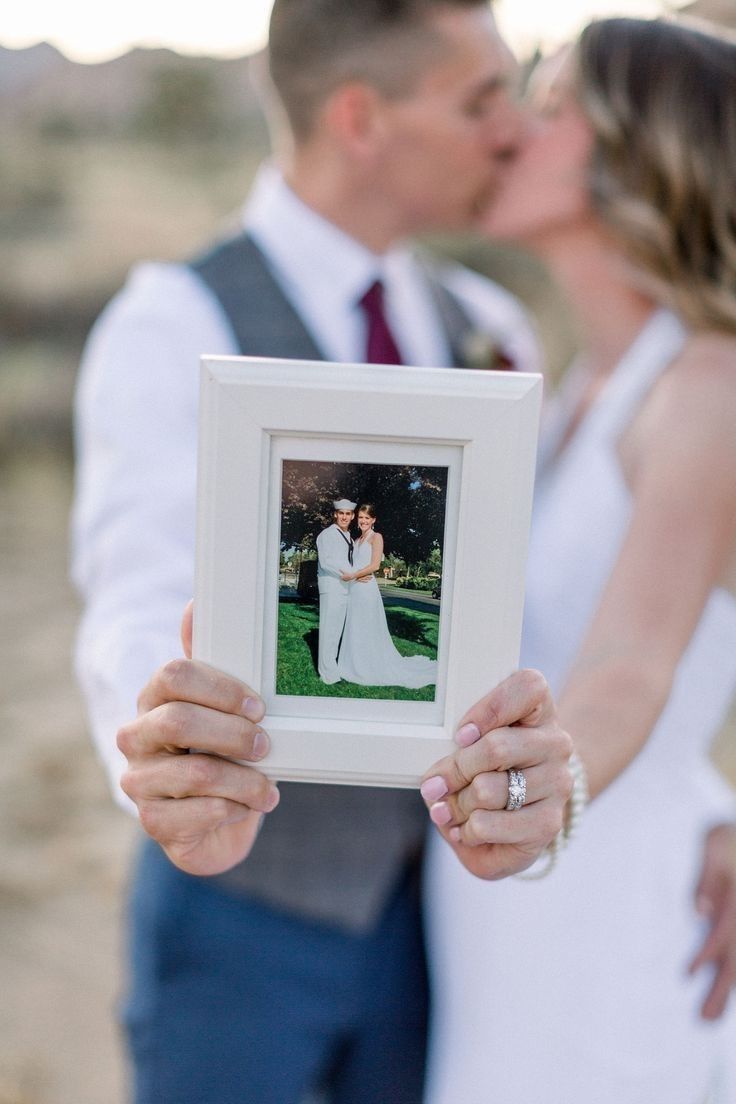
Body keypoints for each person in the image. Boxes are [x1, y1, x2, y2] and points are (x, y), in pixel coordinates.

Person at [71, 3, 566, 1103]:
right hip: (242, 918)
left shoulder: (487, 327)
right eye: (480, 98)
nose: (510, 129)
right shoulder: (171, 318)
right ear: (361, 118)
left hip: (436, 921)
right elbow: (134, 583)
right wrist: (165, 746)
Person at [419, 17, 736, 1102]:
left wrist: (549, 789)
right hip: (504, 909)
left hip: (605, 902)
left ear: (633, 156)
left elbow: (631, 662)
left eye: (546, 110)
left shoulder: (706, 385)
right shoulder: (576, 385)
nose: (507, 131)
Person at [337, 502, 438, 688]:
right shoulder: (356, 540)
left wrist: (354, 575)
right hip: (355, 589)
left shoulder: (377, 538)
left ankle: (369, 666)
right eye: (360, 517)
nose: (363, 521)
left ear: (373, 520)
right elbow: (353, 565)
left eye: (367, 518)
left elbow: (375, 565)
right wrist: (353, 577)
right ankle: (354, 663)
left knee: (367, 627)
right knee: (355, 626)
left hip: (367, 590)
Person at [315, 498, 356, 683]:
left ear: (352, 516)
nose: (344, 517)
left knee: (337, 630)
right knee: (329, 630)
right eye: (341, 513)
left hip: (345, 587)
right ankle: (327, 672)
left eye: (348, 514)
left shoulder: (348, 537)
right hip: (332, 587)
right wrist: (347, 574)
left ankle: (333, 666)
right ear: (335, 514)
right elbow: (326, 562)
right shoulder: (327, 534)